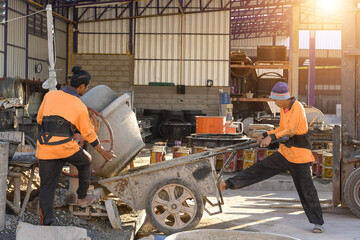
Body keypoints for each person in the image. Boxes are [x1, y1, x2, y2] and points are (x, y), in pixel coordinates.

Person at [219, 82, 324, 233]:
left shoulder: (297, 107)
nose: (274, 103)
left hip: (300, 156)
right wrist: (265, 134)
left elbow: (291, 130)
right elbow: (282, 128)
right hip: (285, 152)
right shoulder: (284, 108)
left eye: (276, 100)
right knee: (259, 169)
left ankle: (318, 222)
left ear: (283, 98)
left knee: (306, 189)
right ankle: (227, 184)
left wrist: (272, 137)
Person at [36, 66, 115, 225]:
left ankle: (46, 224)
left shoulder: (50, 95)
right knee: (85, 161)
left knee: (46, 187)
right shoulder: (78, 104)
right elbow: (89, 134)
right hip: (64, 147)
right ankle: (81, 197)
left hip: (44, 147)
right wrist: (103, 152)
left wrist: (68, 130)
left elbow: (39, 119)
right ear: (82, 87)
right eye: (87, 87)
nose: (86, 90)